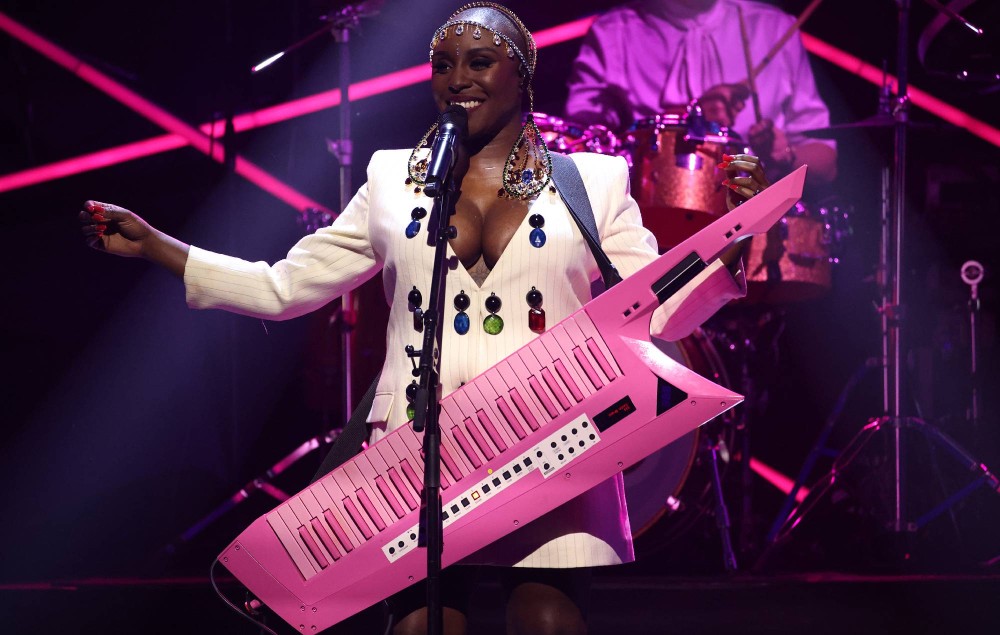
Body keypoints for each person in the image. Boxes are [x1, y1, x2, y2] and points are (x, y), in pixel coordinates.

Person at [79, 3, 769, 634]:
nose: (457, 79)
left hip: (552, 430)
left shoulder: (593, 179)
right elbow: (284, 287)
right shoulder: (390, 179)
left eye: (479, 61)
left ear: (522, 74)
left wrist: (737, 243)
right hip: (426, 443)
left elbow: (659, 309)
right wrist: (161, 248)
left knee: (547, 619)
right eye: (443, 64)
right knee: (420, 626)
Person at [565, 0, 837, 186]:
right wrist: (690, 118)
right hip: (645, 233)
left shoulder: (773, 27)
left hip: (759, 242)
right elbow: (577, 158)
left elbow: (827, 164)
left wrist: (784, 153)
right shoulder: (613, 34)